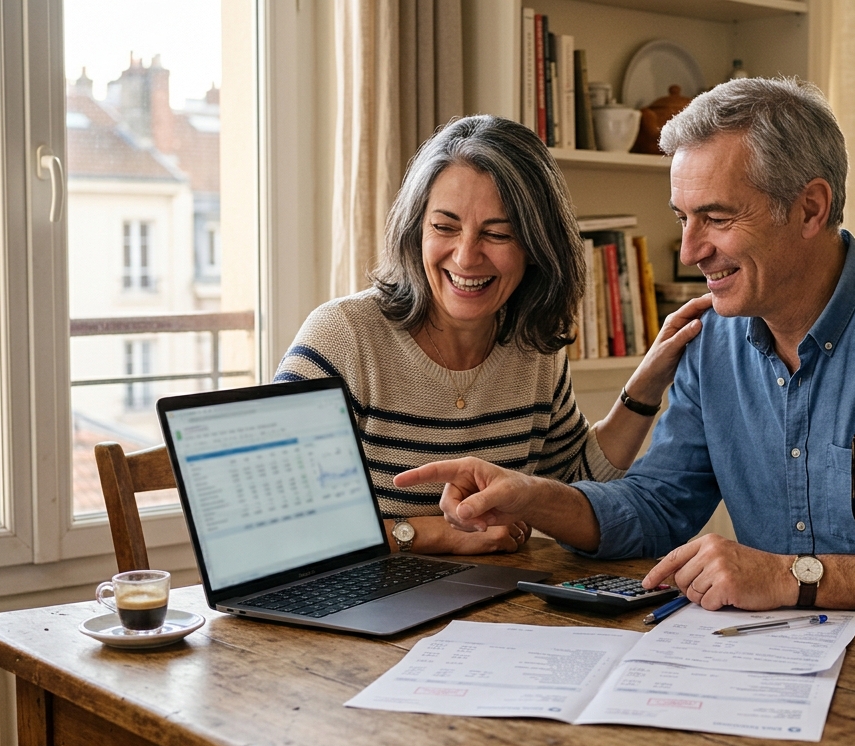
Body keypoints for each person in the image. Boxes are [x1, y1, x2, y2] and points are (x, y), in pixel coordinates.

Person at [394, 78, 855, 631]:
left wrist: (793, 577)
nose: (689, 250)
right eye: (683, 217)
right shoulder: (716, 340)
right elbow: (657, 506)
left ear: (810, 207)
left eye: (717, 218)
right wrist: (536, 498)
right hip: (783, 671)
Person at [275, 115, 710, 556]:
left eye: (497, 234)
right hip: (361, 610)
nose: (465, 257)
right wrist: (432, 534)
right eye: (444, 227)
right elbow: (277, 526)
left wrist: (647, 382)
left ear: (536, 246)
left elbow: (575, 488)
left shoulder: (532, 347)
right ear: (415, 229)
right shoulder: (344, 339)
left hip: (486, 607)